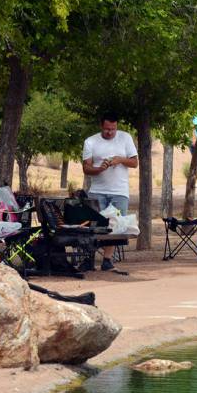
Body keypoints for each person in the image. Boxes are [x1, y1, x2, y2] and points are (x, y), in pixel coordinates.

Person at [82, 112, 138, 273]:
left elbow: (134, 162)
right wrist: (100, 169)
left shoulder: (125, 138)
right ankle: (89, 259)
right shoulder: (91, 142)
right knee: (93, 226)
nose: (110, 132)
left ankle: (107, 260)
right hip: (97, 190)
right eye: (107, 129)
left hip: (119, 191)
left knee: (115, 226)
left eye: (113, 129)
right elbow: (86, 168)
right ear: (101, 126)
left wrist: (120, 159)